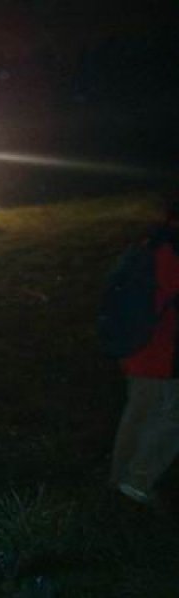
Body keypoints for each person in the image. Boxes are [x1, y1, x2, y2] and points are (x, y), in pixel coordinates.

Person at [110, 197, 179, 507]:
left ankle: (119, 482)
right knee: (169, 416)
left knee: (139, 413)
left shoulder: (149, 243)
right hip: (159, 350)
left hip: (137, 346)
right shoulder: (171, 250)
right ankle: (137, 482)